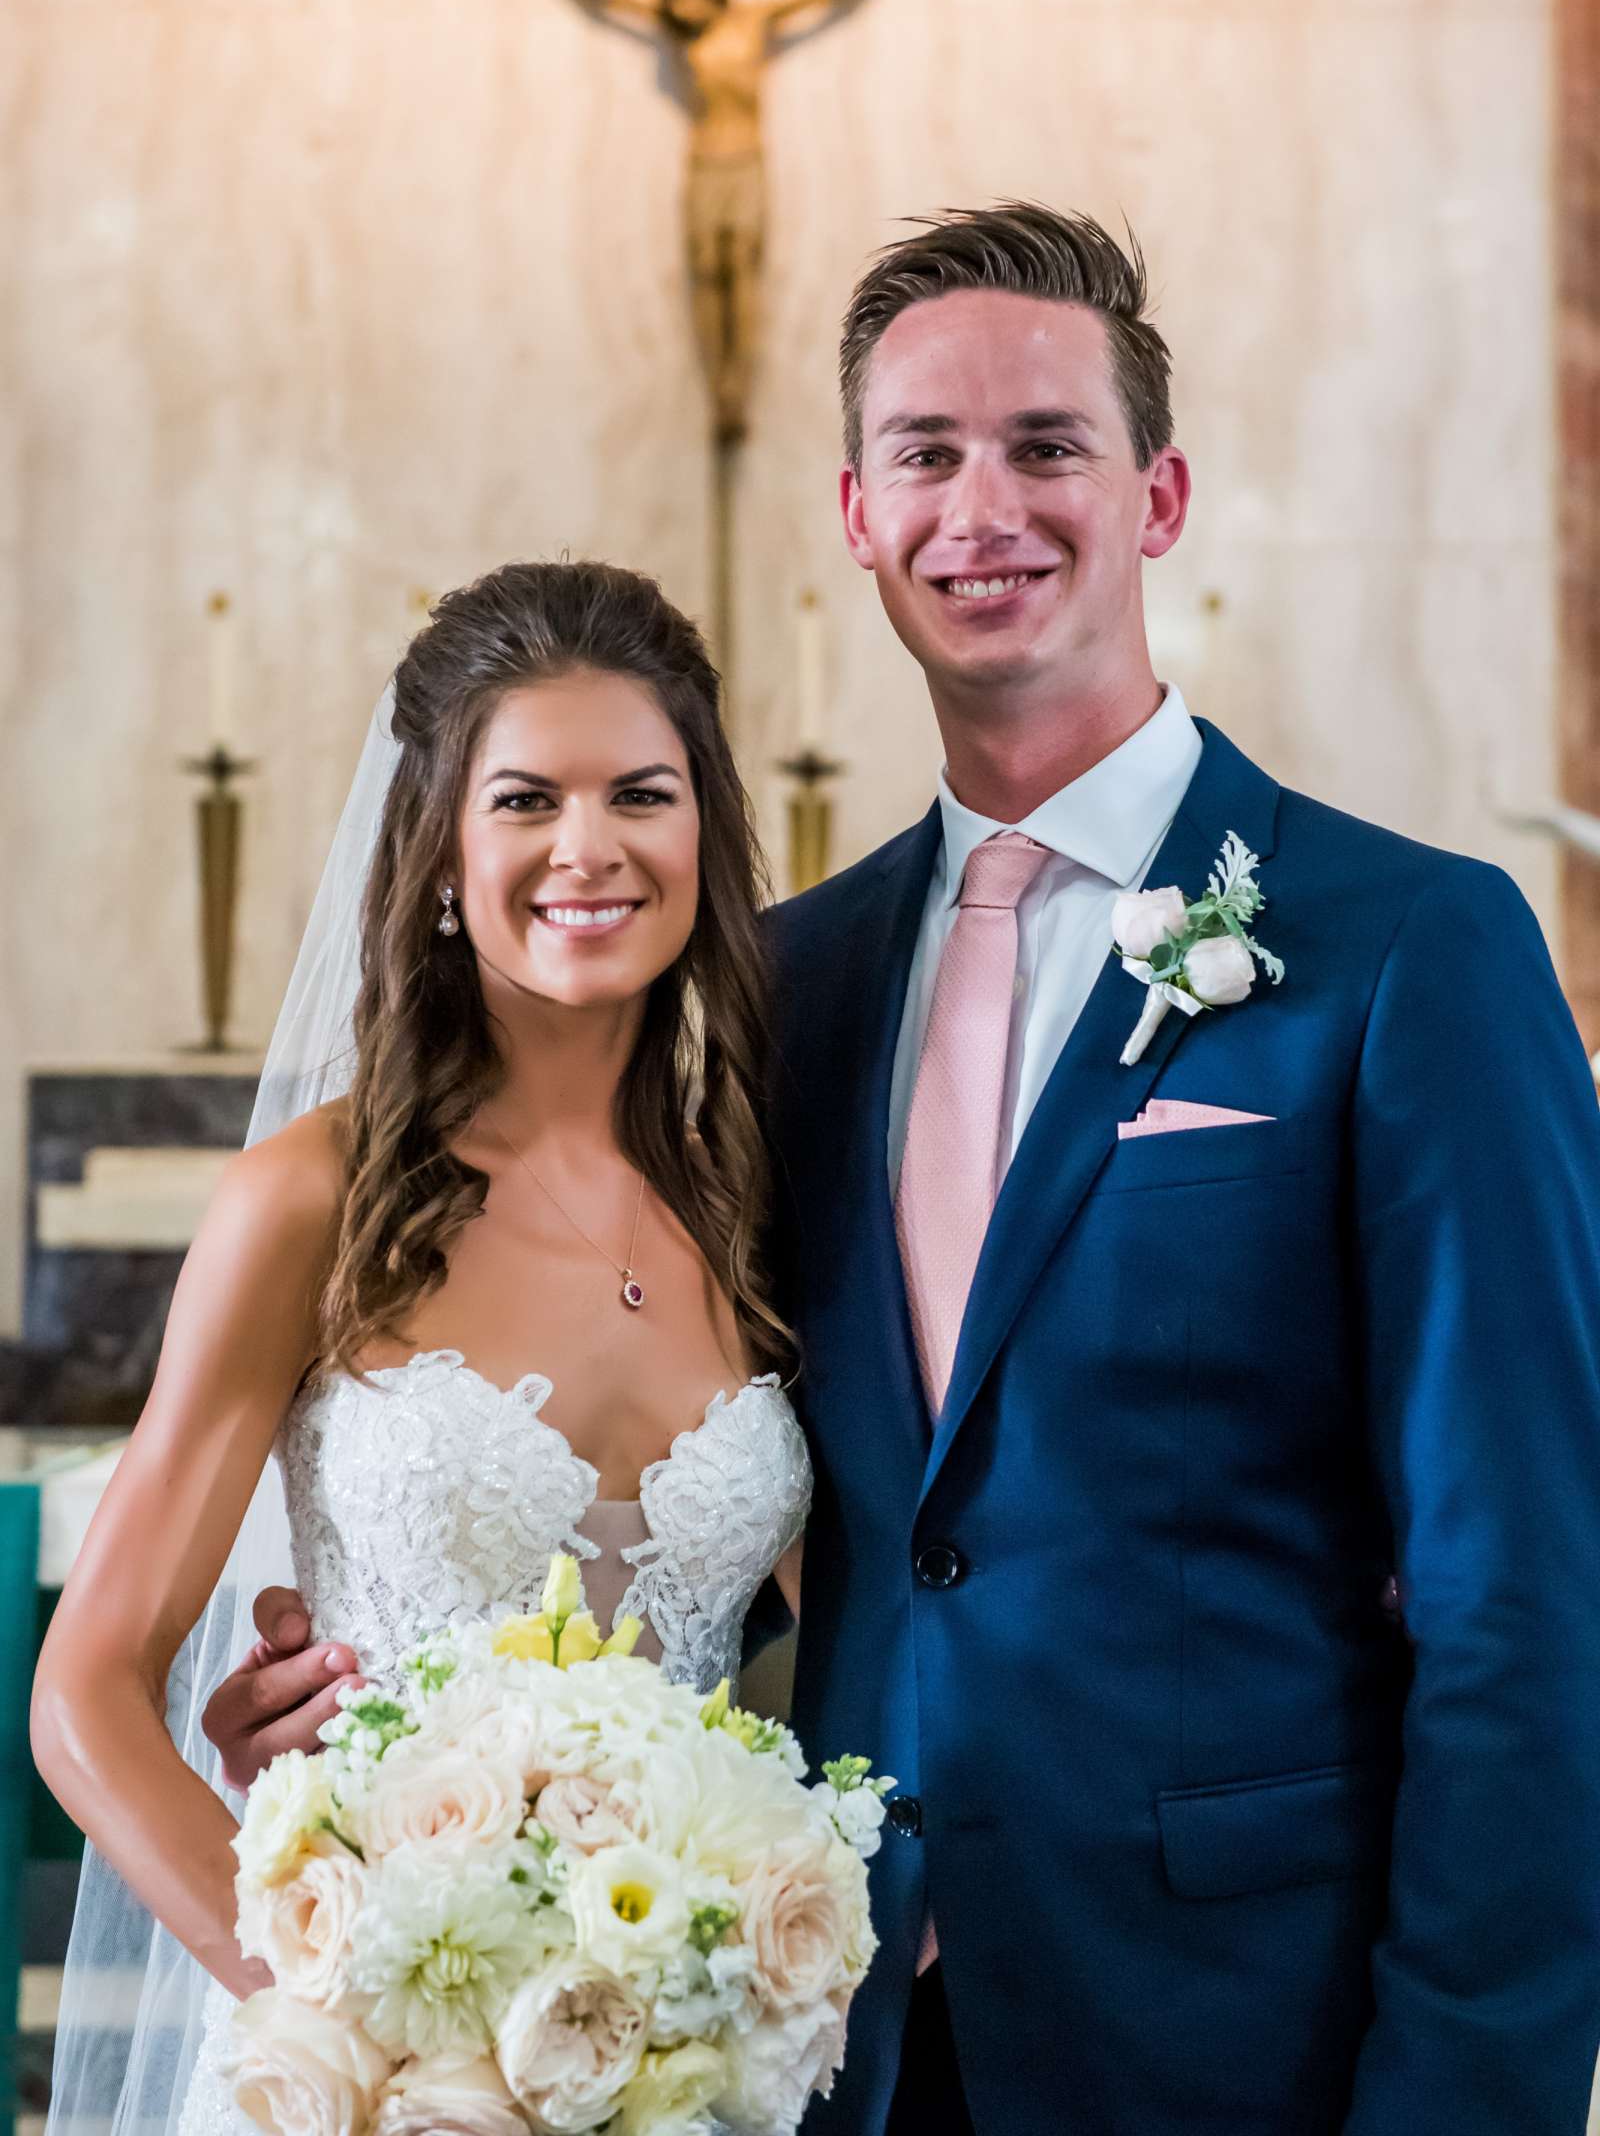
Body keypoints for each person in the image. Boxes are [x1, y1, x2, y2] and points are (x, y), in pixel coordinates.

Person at [205, 205, 1600, 2136]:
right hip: (811, 2032)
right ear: (858, 517)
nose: (984, 508)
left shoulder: (1412, 952)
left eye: (1049, 447)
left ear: (1159, 495)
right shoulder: (788, 987)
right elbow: (687, 1485)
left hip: (1243, 2030)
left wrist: (1468, 2095)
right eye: (926, 457)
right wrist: (357, 1723)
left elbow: (1526, 1589)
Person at [32, 560, 810, 2136]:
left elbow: (862, 1630)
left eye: (639, 795)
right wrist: (338, 2018)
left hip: (680, 2071)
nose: (585, 848)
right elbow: (89, 1692)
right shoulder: (312, 1197)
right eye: (524, 799)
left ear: (705, 837)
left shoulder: (762, 1205)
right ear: (440, 853)